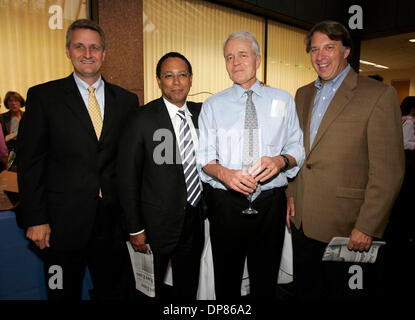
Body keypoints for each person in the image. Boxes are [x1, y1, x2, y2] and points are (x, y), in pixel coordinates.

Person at [17, 19, 139, 300]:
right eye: (79, 46)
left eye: (94, 47)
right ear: (68, 51)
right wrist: (37, 218)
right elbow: (30, 162)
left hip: (111, 226)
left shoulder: (127, 101)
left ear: (104, 54)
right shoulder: (43, 97)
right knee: (61, 292)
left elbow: (131, 163)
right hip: (60, 227)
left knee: (116, 294)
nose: (87, 53)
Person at [286, 20, 405, 300]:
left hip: (347, 226)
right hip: (302, 221)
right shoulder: (302, 94)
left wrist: (367, 225)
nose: (320, 55)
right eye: (315, 49)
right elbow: (297, 151)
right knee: (306, 292)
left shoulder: (378, 95)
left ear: (346, 50)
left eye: (329, 47)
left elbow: (388, 171)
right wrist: (291, 194)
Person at [197, 30, 305, 300]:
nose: (235, 62)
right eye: (229, 57)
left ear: (257, 59)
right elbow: (205, 158)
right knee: (226, 278)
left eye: (242, 55)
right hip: (227, 203)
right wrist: (223, 173)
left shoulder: (283, 100)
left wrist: (281, 161)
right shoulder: (212, 105)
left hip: (270, 203)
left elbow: (296, 148)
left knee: (265, 280)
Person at [117, 52, 205, 300]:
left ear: (191, 79)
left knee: (188, 288)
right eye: (169, 76)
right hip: (154, 226)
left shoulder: (202, 114)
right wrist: (135, 228)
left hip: (194, 220)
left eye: (182, 75)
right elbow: (127, 177)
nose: (176, 82)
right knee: (149, 292)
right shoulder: (141, 118)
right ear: (158, 80)